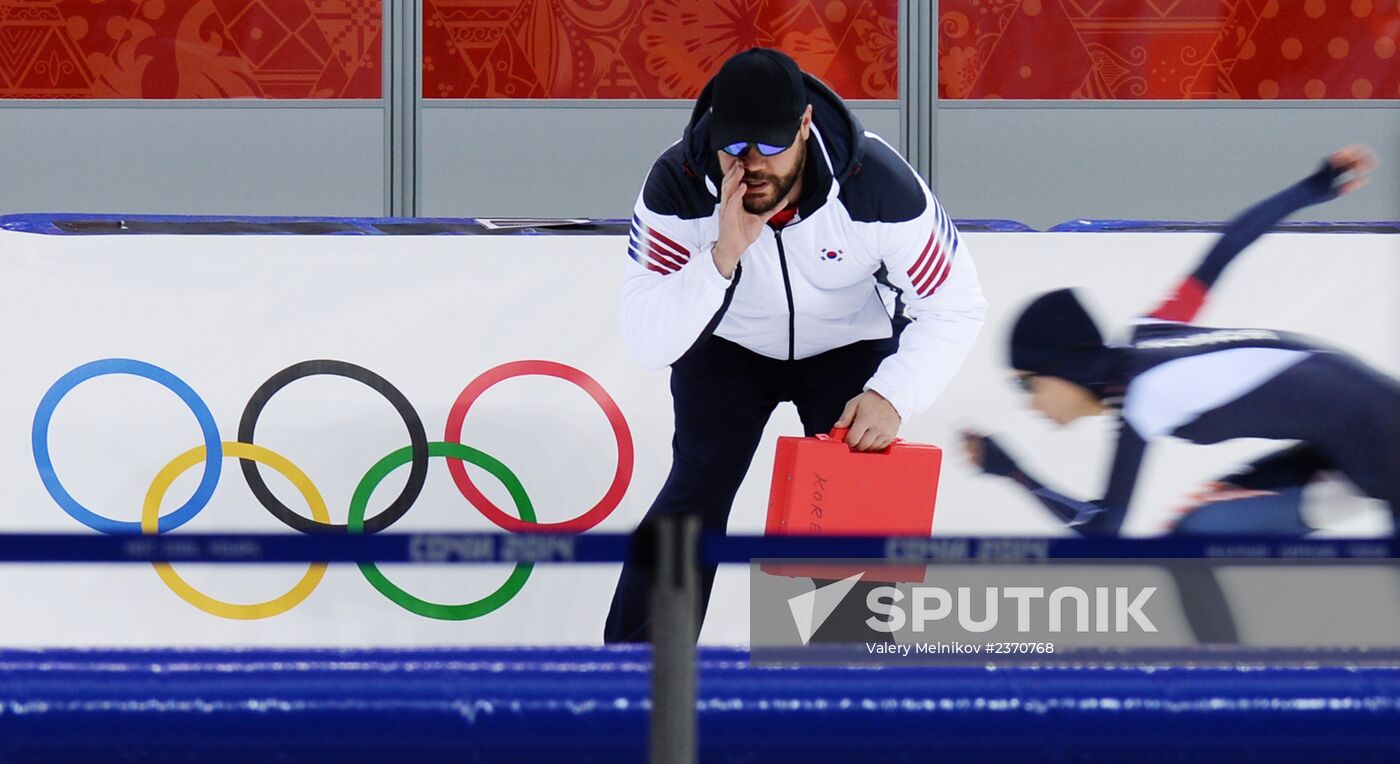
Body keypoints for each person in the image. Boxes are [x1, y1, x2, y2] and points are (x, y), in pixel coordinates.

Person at [605, 48, 986, 643]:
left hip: (845, 342)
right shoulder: (678, 182)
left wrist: (894, 393)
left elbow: (957, 304)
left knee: (853, 504)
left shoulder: (878, 185)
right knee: (696, 487)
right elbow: (647, 340)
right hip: (727, 343)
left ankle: (849, 686)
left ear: (805, 127)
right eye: (734, 148)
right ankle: (634, 678)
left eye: (771, 147)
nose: (752, 165)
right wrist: (720, 257)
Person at [961, 146, 1392, 538]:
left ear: (1063, 369)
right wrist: (1310, 189)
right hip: (1353, 442)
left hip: (1379, 439)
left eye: (1028, 384)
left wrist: (1014, 472)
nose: (1030, 404)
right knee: (1194, 534)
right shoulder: (1155, 327)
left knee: (1192, 537)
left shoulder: (1142, 394)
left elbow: (1105, 525)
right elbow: (1225, 249)